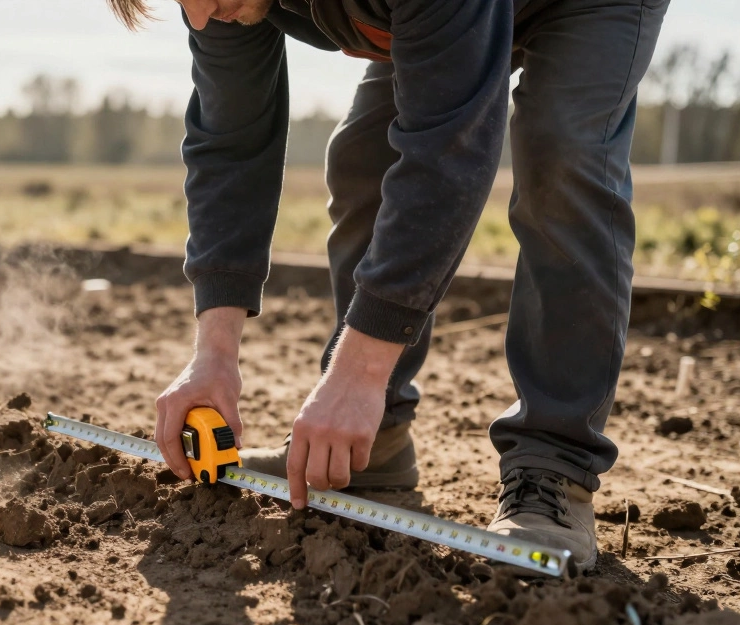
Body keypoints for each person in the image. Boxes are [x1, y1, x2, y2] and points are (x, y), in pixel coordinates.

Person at [108, 0, 670, 571]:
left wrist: (359, 372)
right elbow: (230, 143)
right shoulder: (218, 5)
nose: (197, 18)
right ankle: (374, 442)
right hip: (447, 18)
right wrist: (214, 354)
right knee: (364, 158)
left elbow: (447, 156)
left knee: (562, 155)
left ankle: (555, 468)